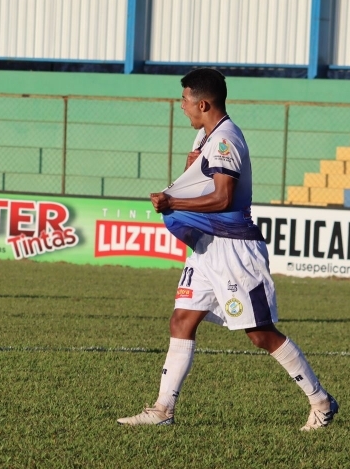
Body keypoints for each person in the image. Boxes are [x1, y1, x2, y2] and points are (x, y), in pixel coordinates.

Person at [117, 68, 337, 430]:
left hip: (234, 250)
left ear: (203, 103)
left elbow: (223, 197)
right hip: (207, 248)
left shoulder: (225, 140)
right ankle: (162, 410)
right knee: (181, 320)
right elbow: (203, 184)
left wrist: (173, 201)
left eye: (185, 100)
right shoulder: (206, 137)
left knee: (260, 334)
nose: (182, 107)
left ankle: (321, 401)